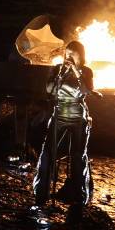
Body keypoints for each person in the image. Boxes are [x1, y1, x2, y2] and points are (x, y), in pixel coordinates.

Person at [33, 41, 99, 207]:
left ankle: (79, 196)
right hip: (60, 113)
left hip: (78, 115)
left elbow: (86, 90)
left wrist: (76, 71)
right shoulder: (57, 69)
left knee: (78, 156)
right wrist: (59, 76)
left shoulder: (86, 71)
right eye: (67, 53)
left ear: (80, 55)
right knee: (47, 153)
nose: (69, 56)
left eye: (73, 53)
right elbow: (49, 89)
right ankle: (41, 194)